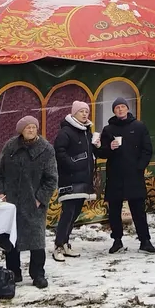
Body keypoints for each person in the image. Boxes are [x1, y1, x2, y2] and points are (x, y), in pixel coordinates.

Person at [0, 115, 58, 288]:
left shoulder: (46, 149)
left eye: (34, 127)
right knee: (11, 239)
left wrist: (40, 198)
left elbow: (51, 179)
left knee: (36, 240)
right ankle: (13, 273)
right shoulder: (10, 146)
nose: (31, 130)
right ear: (21, 130)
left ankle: (38, 274)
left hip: (33, 202)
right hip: (11, 202)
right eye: (28, 127)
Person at [96, 97, 155, 254]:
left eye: (123, 107)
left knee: (138, 209)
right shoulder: (108, 129)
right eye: (117, 108)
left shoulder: (138, 126)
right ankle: (117, 241)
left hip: (134, 174)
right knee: (114, 209)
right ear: (114, 111)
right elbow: (101, 152)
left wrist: (140, 167)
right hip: (115, 174)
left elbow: (147, 149)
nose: (120, 110)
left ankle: (145, 241)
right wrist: (109, 147)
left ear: (128, 109)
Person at [53, 100, 96, 260]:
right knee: (68, 212)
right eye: (81, 111)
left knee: (75, 213)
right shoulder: (66, 131)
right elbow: (59, 152)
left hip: (83, 179)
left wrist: (96, 146)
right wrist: (73, 164)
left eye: (86, 111)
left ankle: (65, 243)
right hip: (69, 179)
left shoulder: (86, 131)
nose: (85, 114)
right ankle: (58, 246)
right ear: (74, 113)